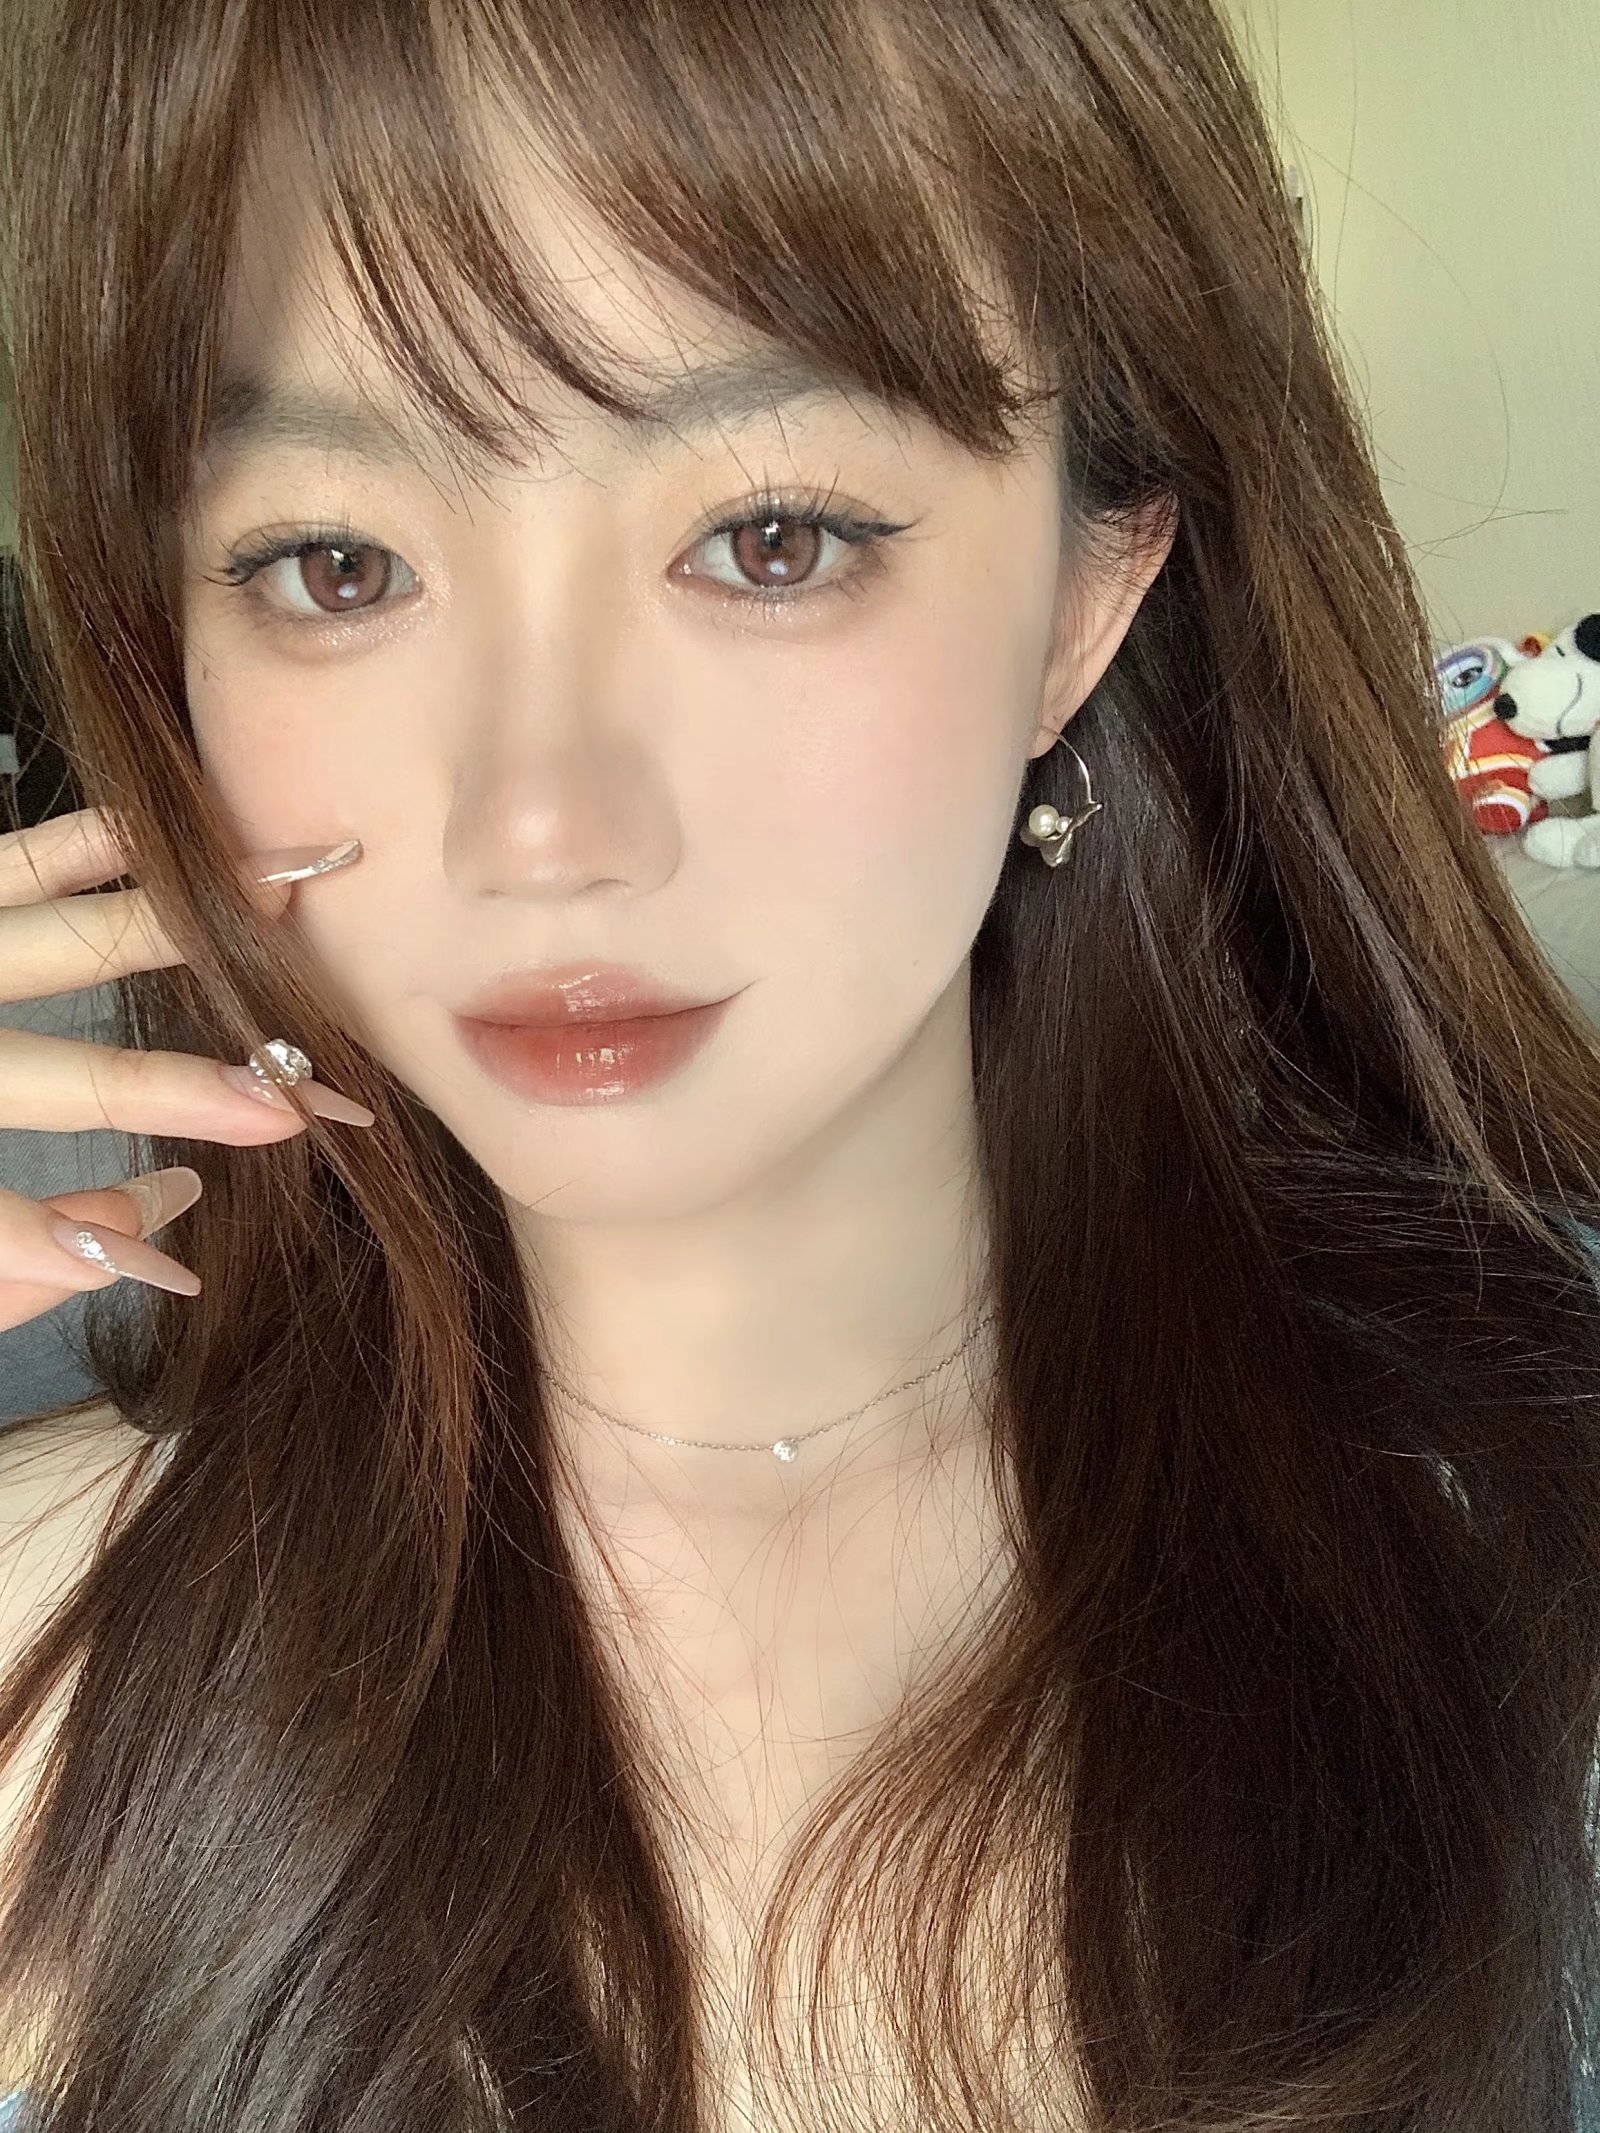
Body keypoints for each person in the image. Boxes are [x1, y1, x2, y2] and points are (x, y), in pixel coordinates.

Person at [0, 1, 1598, 2127]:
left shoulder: (1527, 1576)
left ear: (1085, 593)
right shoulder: (47, 1651)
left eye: (771, 539)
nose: (543, 825)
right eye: (336, 563)